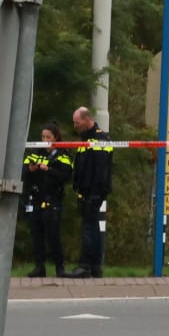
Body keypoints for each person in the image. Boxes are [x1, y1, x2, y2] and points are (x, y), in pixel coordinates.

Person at [65, 106, 113, 278]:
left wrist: (95, 193)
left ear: (87, 120)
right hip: (86, 190)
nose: (75, 126)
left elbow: (101, 169)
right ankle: (95, 267)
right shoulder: (86, 138)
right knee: (93, 227)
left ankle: (85, 265)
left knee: (88, 228)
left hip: (93, 191)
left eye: (77, 123)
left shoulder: (99, 138)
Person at [22, 123, 72, 278]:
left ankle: (60, 268)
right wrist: (30, 170)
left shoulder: (63, 155)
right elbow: (21, 172)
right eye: (43, 137)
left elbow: (65, 176)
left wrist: (48, 169)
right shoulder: (34, 154)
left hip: (53, 200)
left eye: (48, 137)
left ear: (55, 138)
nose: (44, 140)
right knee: (37, 235)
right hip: (36, 199)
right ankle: (39, 267)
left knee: (53, 236)